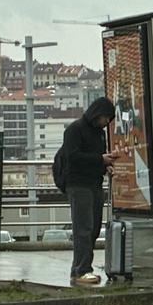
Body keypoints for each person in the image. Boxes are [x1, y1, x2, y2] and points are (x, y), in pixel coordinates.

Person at [62, 97, 118, 285]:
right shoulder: (75, 129)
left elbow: (95, 158)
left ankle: (79, 268)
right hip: (78, 183)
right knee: (83, 227)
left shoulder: (99, 134)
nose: (106, 123)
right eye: (105, 118)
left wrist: (105, 166)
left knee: (93, 227)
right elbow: (73, 156)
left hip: (94, 182)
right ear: (97, 113)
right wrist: (100, 160)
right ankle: (82, 270)